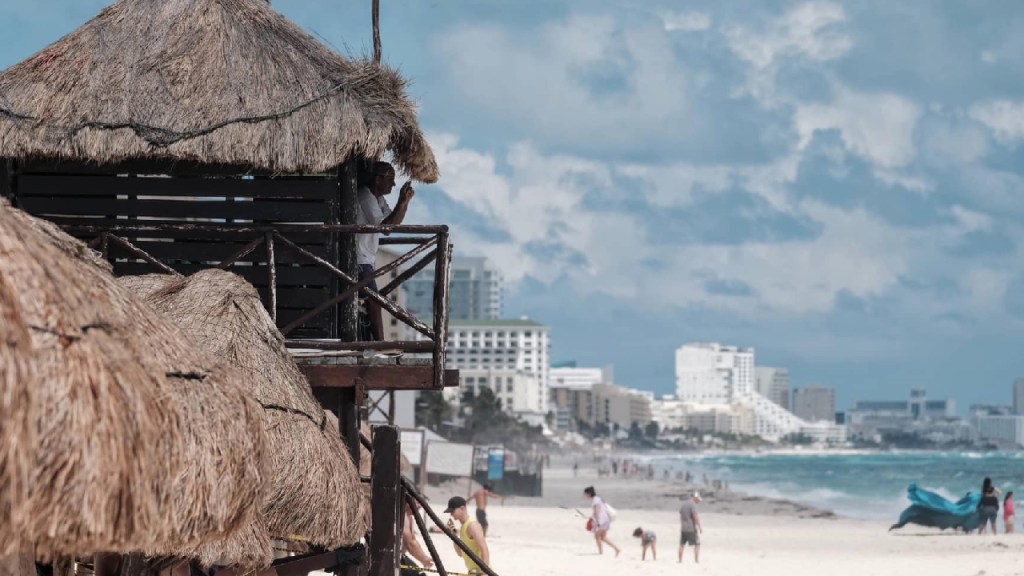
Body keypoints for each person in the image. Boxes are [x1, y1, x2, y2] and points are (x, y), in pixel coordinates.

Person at [355, 161, 414, 341]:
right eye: (390, 179)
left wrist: (404, 203)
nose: (393, 184)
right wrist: (401, 201)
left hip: (366, 258)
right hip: (358, 258)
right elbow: (386, 228)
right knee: (374, 300)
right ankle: (380, 343)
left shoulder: (377, 199)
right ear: (378, 179)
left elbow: (392, 224)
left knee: (372, 300)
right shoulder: (365, 196)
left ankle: (376, 343)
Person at [445, 496, 490, 574]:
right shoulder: (463, 527)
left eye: (453, 511)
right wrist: (453, 535)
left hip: (481, 572)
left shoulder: (472, 525)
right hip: (473, 572)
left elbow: (484, 549)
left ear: (462, 508)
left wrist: (485, 573)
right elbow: (460, 553)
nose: (451, 514)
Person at [583, 486, 620, 556]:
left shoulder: (595, 500)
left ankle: (600, 553)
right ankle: (617, 549)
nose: (585, 496)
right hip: (606, 519)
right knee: (603, 537)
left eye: (585, 494)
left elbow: (598, 511)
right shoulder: (599, 498)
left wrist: (597, 521)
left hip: (601, 520)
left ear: (589, 493)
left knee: (597, 536)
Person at [401, 501, 433, 575]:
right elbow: (409, 544)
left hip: (401, 556)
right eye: (417, 503)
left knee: (420, 574)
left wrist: (424, 557)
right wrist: (423, 559)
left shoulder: (409, 517)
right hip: (389, 558)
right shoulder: (402, 516)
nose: (420, 506)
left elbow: (413, 540)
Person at [679, 492, 703, 563]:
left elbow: (681, 515)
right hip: (691, 528)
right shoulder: (692, 505)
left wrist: (682, 524)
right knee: (697, 544)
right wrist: (699, 527)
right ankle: (696, 560)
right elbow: (695, 516)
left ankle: (680, 560)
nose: (698, 501)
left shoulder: (684, 504)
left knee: (682, 544)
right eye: (698, 499)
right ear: (695, 497)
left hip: (683, 527)